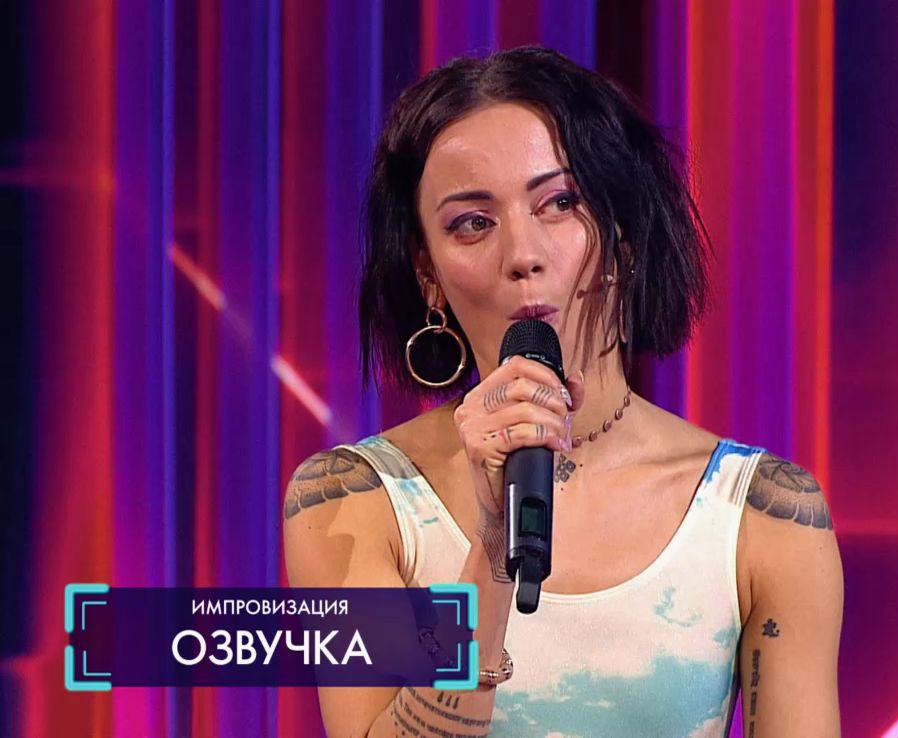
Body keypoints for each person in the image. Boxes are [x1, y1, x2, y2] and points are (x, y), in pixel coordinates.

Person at [283, 46, 843, 737]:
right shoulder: (354, 502)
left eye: (560, 203)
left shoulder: (764, 515)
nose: (523, 254)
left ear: (622, 232)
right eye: (472, 223)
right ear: (428, 273)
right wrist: (492, 548)